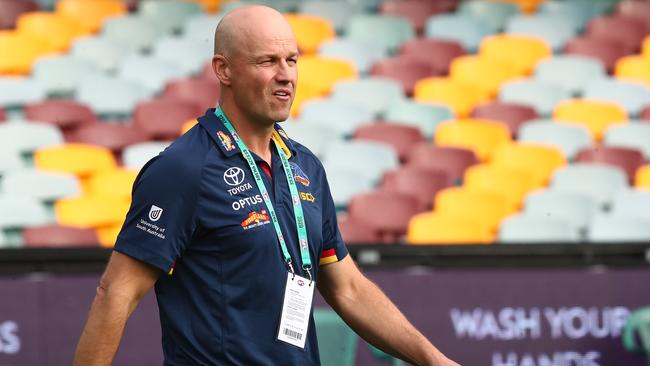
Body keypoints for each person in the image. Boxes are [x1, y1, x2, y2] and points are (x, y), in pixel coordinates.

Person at [73, 5, 459, 366]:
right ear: (223, 70)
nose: (286, 75)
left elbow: (348, 290)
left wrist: (433, 360)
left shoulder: (304, 166)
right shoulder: (181, 170)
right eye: (267, 62)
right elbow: (116, 293)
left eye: (291, 60)